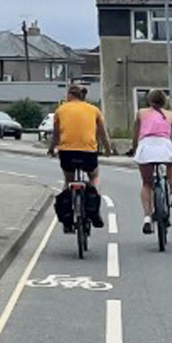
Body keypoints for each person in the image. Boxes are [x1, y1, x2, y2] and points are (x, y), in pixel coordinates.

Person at [46, 83, 110, 232]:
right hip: (88, 152)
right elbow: (103, 134)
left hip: (67, 153)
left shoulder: (60, 110)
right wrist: (108, 150)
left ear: (69, 95)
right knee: (94, 176)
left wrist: (51, 149)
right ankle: (94, 209)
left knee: (68, 180)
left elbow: (56, 136)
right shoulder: (94, 110)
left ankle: (67, 219)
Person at [129, 89, 172, 232]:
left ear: (150, 101)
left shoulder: (141, 113)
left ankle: (147, 217)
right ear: (164, 101)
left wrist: (134, 148)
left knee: (147, 183)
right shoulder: (171, 115)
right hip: (163, 146)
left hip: (146, 146)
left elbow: (136, 134)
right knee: (170, 164)